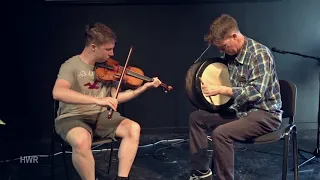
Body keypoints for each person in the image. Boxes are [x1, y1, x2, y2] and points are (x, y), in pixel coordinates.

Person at [52, 22, 162, 180]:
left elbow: (115, 97)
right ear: (93, 47)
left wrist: (143, 88)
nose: (112, 54)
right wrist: (98, 100)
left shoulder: (108, 68)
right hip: (72, 117)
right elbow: (58, 92)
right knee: (81, 141)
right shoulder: (71, 65)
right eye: (108, 49)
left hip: (101, 116)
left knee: (133, 128)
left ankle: (122, 178)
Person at [188, 14, 283, 180]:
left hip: (265, 114)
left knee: (221, 134)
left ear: (234, 36)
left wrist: (222, 89)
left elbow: (256, 93)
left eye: (223, 47)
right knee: (196, 118)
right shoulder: (229, 56)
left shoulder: (259, 54)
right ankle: (202, 172)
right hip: (240, 111)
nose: (222, 51)